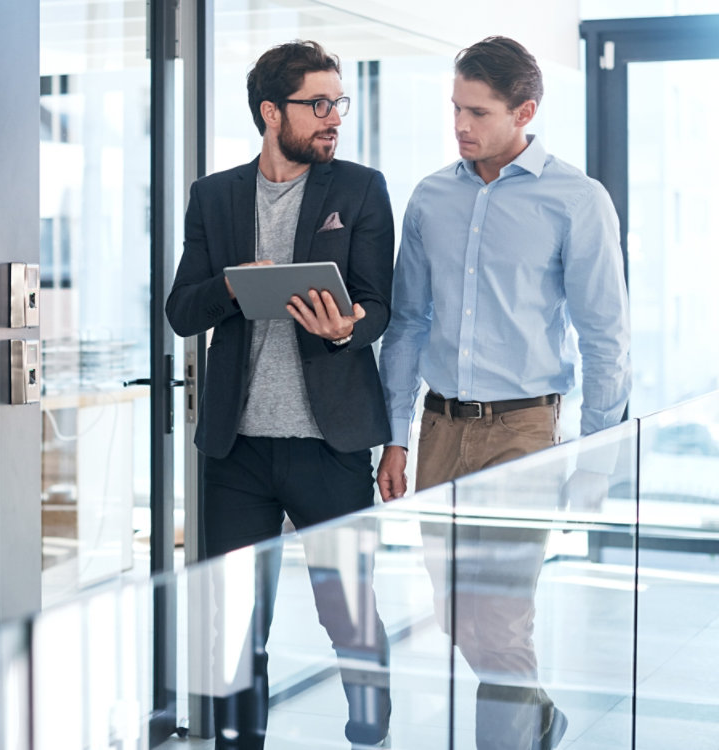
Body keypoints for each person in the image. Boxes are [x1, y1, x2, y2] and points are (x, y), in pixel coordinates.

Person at [376, 36, 632, 750]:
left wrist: (595, 460)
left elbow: (605, 337)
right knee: (456, 614)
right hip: (439, 429)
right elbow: (406, 324)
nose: (461, 125)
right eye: (456, 108)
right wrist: (395, 435)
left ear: (525, 111)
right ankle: (538, 715)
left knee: (503, 614)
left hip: (524, 434)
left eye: (478, 112)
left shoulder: (576, 200)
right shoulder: (430, 196)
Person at [166, 40, 393, 750]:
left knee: (348, 614)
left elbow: (379, 304)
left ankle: (370, 734)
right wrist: (235, 286)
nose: (333, 118)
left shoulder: (359, 188)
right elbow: (182, 311)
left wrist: (346, 327)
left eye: (338, 103)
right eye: (317, 104)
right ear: (272, 113)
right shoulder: (215, 196)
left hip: (331, 444)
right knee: (234, 623)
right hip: (237, 452)